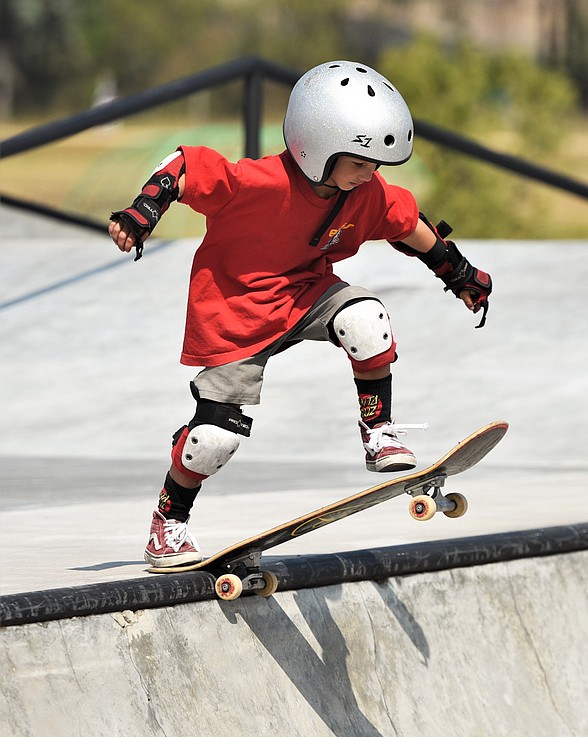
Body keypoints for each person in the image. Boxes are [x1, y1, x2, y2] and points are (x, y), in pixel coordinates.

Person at [107, 60, 493, 568]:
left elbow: (411, 225)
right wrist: (143, 212)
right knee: (213, 441)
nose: (368, 176)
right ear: (315, 146)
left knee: (365, 319)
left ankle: (378, 431)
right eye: (359, 163)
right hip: (233, 313)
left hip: (307, 294)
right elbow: (185, 165)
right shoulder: (259, 183)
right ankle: (169, 523)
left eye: (376, 165)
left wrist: (460, 275)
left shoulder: (364, 193)